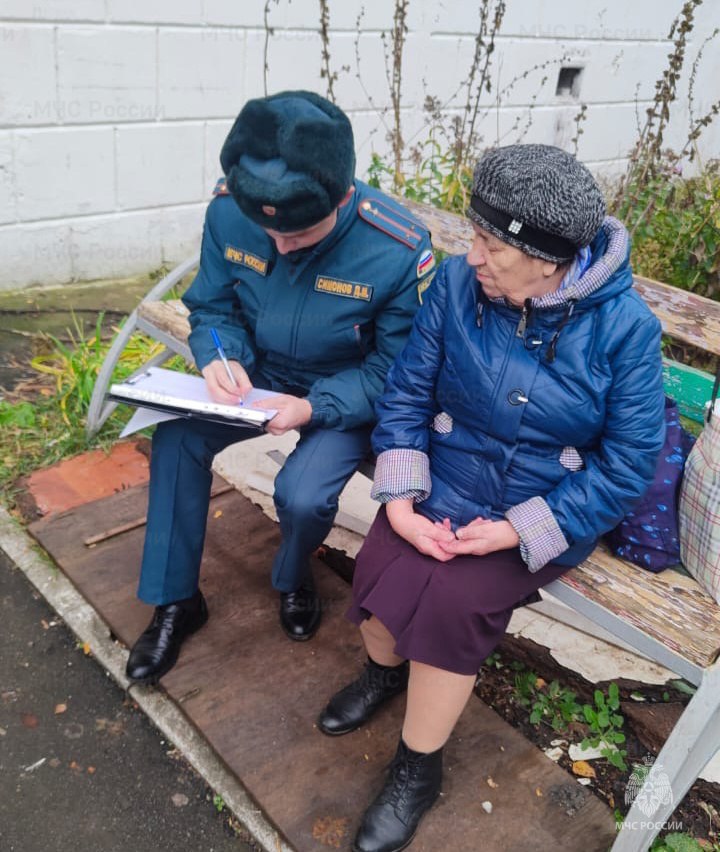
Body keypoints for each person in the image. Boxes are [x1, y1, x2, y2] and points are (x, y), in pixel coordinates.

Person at [317, 144, 666, 852]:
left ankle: (419, 767)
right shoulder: (454, 286)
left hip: (544, 505)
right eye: (471, 236)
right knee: (385, 562)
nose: (469, 254)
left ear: (545, 260)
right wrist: (403, 498)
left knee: (451, 599)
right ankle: (383, 674)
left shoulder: (626, 330)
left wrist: (515, 531)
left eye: (487, 243)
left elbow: (627, 464)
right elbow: (410, 389)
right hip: (442, 478)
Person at [125, 90, 435, 684]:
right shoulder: (228, 211)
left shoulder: (395, 249)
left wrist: (314, 407)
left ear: (343, 197)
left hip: (341, 390)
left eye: (301, 235)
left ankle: (294, 578)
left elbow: (397, 370)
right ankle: (176, 601)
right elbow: (213, 306)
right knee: (176, 439)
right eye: (270, 237)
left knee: (302, 494)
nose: (282, 246)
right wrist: (220, 356)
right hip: (256, 371)